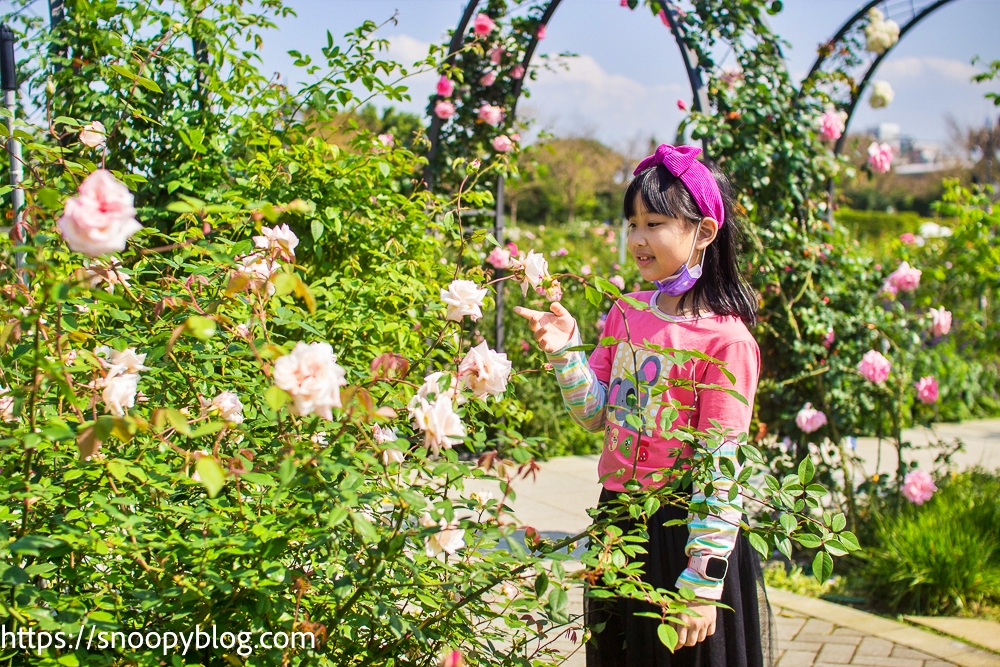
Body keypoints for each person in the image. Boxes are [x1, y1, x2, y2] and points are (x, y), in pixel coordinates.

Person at [515, 144, 776, 667]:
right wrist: (566, 352)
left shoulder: (726, 341)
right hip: (618, 522)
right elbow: (597, 416)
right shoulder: (627, 313)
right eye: (632, 223)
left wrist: (702, 582)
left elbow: (720, 466)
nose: (637, 238)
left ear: (704, 232)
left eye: (654, 223)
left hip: (684, 530)